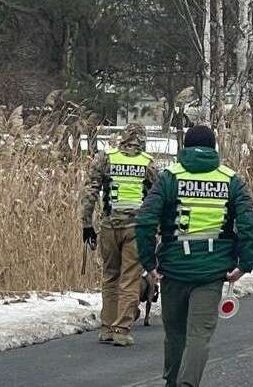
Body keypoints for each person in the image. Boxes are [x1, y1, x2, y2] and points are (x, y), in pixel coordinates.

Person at [135, 124, 253, 387]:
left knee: (175, 335)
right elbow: (250, 222)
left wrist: (149, 263)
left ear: (185, 147)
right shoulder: (231, 180)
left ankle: (172, 383)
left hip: (173, 269)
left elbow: (145, 220)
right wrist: (245, 263)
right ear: (213, 148)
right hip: (212, 272)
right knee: (198, 336)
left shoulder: (169, 177)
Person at [81, 122, 158, 347]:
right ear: (142, 140)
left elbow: (90, 191)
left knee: (110, 275)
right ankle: (122, 329)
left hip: (109, 227)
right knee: (130, 278)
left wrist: (87, 224)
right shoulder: (148, 164)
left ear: (122, 138)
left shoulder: (106, 158)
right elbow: (157, 198)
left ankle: (106, 327)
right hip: (136, 228)